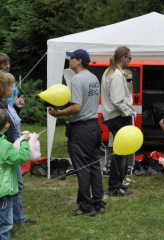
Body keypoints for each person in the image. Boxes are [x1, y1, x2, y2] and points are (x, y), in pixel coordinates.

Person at [48, 49, 105, 216]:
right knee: (94, 165)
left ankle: (86, 206)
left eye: (71, 58)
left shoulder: (76, 80)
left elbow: (77, 107)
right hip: (95, 125)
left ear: (79, 61)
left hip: (80, 128)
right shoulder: (93, 77)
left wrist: (58, 113)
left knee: (82, 167)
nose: (69, 60)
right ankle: (98, 202)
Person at [0, 54, 35, 225]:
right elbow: (5, 126)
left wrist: (17, 109)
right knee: (11, 186)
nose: (14, 89)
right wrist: (22, 143)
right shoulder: (1, 106)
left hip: (10, 145)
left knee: (14, 185)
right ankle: (9, 222)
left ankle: (15, 218)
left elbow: (12, 122)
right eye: (10, 86)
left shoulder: (6, 104)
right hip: (7, 148)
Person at [101, 46, 136, 197]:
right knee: (121, 153)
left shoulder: (110, 72)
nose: (130, 60)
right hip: (119, 117)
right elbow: (117, 100)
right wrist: (129, 112)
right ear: (123, 58)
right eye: (130, 58)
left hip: (114, 116)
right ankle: (115, 187)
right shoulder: (116, 74)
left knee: (120, 152)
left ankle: (117, 185)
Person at [0, 109, 30, 240]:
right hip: (3, 191)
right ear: (7, 125)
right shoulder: (4, 145)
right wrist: (24, 142)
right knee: (4, 224)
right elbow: (22, 158)